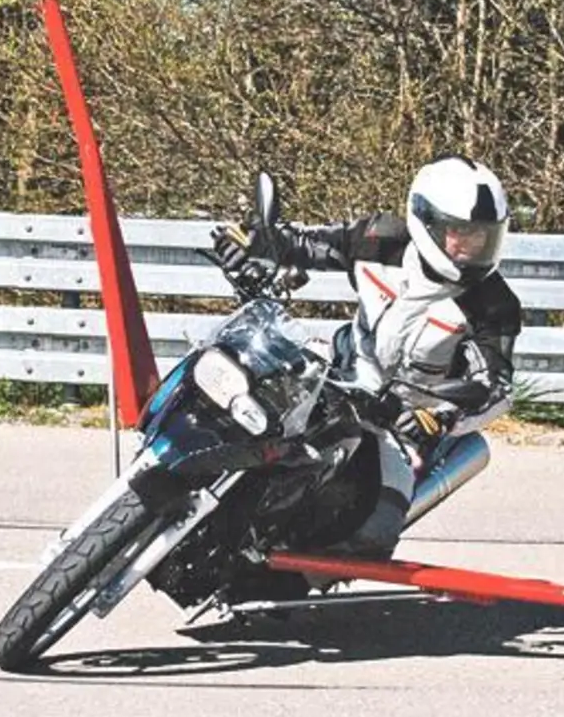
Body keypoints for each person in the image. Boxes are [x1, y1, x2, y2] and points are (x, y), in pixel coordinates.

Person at [211, 154, 522, 559]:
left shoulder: (493, 305)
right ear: (426, 222)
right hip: (334, 375)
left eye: (483, 237)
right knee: (231, 400)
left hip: (399, 422)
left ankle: (283, 581)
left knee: (373, 536)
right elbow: (299, 244)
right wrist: (252, 245)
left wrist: (441, 418)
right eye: (460, 234)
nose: (471, 248)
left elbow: (494, 387)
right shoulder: (379, 239)